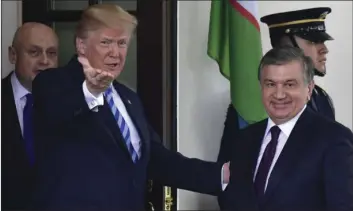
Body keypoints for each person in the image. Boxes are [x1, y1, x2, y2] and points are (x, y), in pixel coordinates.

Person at [29, 4, 229, 210]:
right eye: (106, 42)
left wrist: (221, 176)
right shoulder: (52, 83)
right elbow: (59, 113)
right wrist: (91, 91)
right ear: (81, 45)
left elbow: (155, 159)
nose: (115, 52)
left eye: (122, 43)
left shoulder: (128, 98)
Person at [220, 46, 353, 211]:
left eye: (289, 84)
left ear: (309, 89)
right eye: (270, 84)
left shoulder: (334, 139)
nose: (279, 94)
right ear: (261, 87)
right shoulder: (245, 138)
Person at [217, 6, 336, 170]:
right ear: (288, 47)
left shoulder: (320, 98)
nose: (324, 49)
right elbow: (232, 174)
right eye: (314, 41)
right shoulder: (256, 104)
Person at [1, 22, 58, 210]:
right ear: (13, 55)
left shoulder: (70, 104)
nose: (44, 61)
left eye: (51, 53)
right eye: (34, 52)